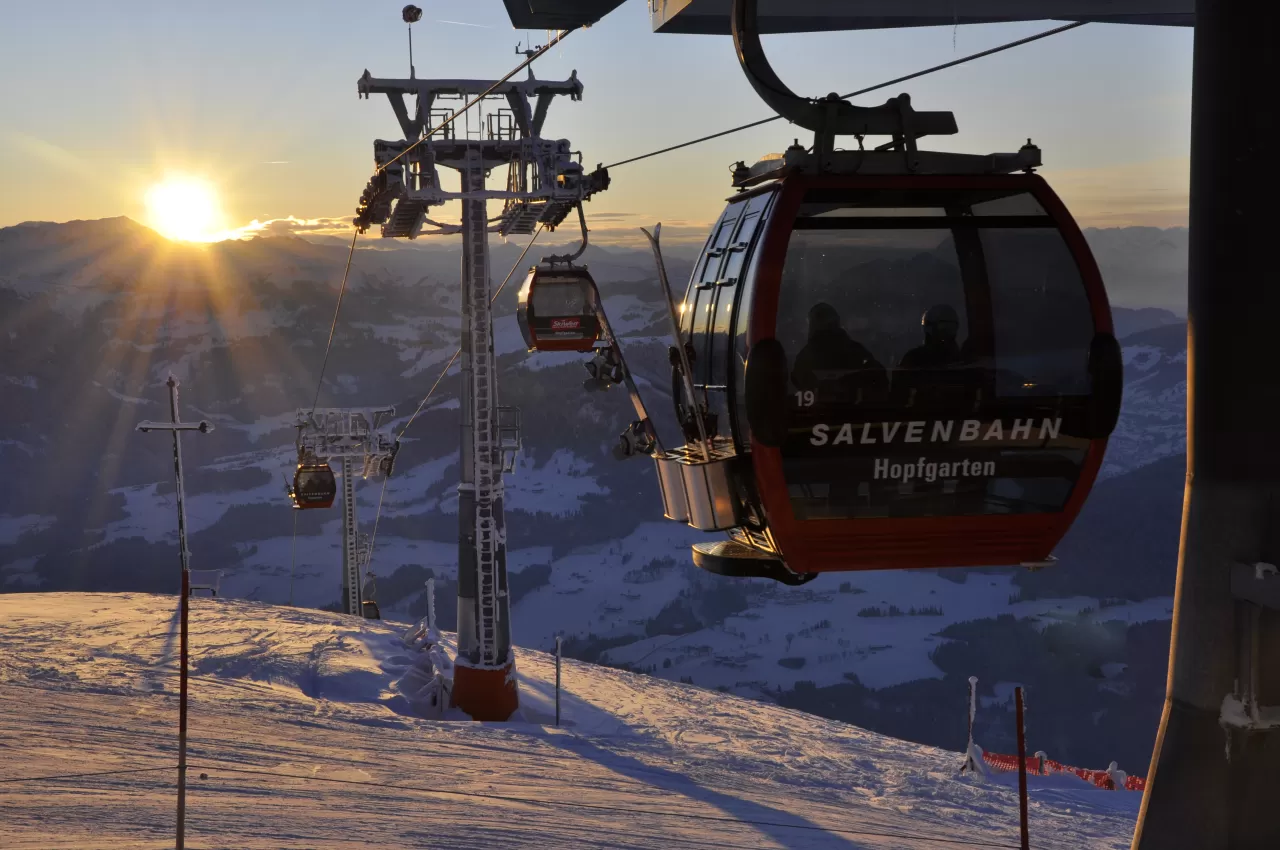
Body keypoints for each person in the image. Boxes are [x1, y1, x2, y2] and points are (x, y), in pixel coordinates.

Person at [790, 302, 887, 407]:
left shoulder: (806, 355)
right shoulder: (856, 350)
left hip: (818, 412)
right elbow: (879, 378)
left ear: (812, 325)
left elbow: (797, 381)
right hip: (852, 412)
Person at [892, 304, 979, 410]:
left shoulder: (964, 361)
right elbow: (899, 400)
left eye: (949, 327)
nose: (945, 332)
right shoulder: (914, 359)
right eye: (942, 327)